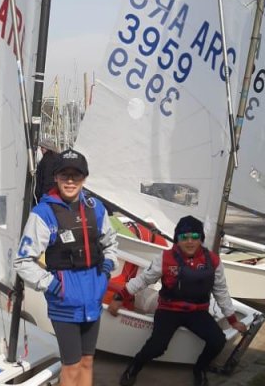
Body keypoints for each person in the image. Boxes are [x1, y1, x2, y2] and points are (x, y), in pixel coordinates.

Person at [14, 148, 118, 386]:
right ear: (56, 177)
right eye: (64, 175)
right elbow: (22, 261)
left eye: (76, 175)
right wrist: (54, 286)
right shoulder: (43, 213)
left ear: (84, 178)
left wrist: (106, 270)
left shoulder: (96, 208)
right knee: (70, 366)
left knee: (88, 362)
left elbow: (111, 243)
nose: (70, 181)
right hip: (65, 303)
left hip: (92, 299)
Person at [108, 215, 247, 386]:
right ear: (177, 239)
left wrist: (233, 320)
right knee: (157, 347)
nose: (190, 241)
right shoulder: (165, 258)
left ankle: (199, 369)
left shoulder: (213, 261)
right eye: (184, 237)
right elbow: (143, 280)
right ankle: (134, 367)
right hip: (169, 310)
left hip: (197, 311)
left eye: (195, 237)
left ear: (201, 239)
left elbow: (221, 291)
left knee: (218, 340)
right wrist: (119, 297)